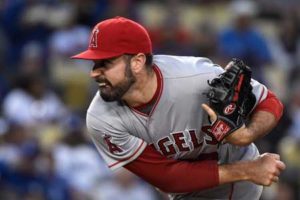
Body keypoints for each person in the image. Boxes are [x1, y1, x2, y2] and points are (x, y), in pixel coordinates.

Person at [71, 16, 285, 200]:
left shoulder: (195, 78)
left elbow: (269, 101)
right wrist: (248, 170)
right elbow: (167, 178)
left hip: (238, 185)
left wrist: (246, 135)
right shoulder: (101, 118)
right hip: (192, 187)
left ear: (137, 62)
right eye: (94, 64)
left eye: (105, 63)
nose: (94, 73)